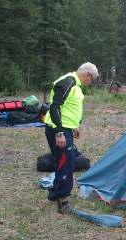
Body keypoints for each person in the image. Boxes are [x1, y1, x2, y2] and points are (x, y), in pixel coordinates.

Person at [44, 62, 98, 214]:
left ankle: (55, 193)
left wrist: (74, 126)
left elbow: (67, 108)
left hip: (66, 128)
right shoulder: (68, 82)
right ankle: (63, 201)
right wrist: (60, 132)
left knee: (62, 163)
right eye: (92, 79)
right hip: (58, 129)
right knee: (67, 164)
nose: (91, 83)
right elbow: (55, 107)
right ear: (88, 75)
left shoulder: (75, 84)